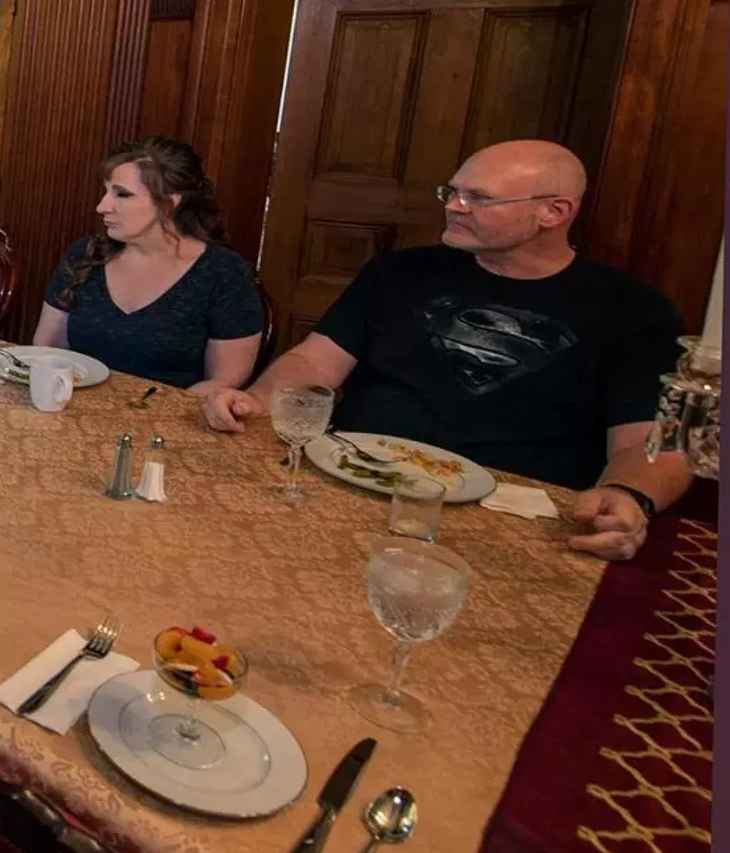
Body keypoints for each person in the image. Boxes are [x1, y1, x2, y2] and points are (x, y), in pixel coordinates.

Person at [199, 139, 689, 562]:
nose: (454, 206)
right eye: (452, 192)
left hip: (514, 520)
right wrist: (260, 400)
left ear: (554, 212)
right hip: (354, 487)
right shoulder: (400, 273)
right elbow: (312, 362)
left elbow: (647, 445)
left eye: (478, 198)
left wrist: (629, 496)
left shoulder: (632, 310)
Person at [32, 138, 262, 392]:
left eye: (122, 194)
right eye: (105, 191)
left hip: (168, 423)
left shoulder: (224, 273)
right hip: (73, 413)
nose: (101, 206)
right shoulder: (86, 254)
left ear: (169, 203)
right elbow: (47, 345)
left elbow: (225, 381)